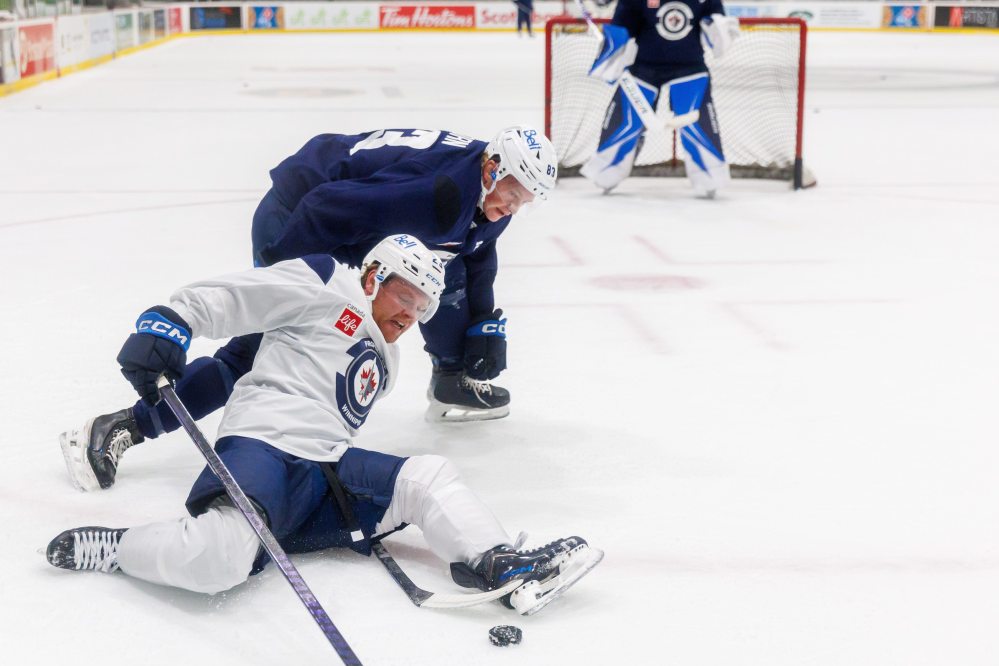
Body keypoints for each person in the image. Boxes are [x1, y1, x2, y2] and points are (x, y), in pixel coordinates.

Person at [47, 235, 597, 615]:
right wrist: (174, 321)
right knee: (219, 560)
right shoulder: (327, 281)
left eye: (424, 308)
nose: (411, 315)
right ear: (375, 275)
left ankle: (497, 562)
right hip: (263, 446)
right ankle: (117, 548)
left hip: (324, 475)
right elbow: (241, 297)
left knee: (427, 476)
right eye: (406, 296)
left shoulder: (390, 360)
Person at [59, 126, 559, 492]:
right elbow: (325, 205)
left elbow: (475, 251)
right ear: (493, 170)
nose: (514, 207)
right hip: (300, 215)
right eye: (513, 194)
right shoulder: (437, 195)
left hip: (355, 226)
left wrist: (485, 326)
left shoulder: (484, 193)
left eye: (525, 201)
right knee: (252, 355)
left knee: (434, 279)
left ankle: (451, 375)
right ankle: (121, 425)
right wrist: (286, 287)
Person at [579, 0, 741, 197]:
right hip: (643, 68)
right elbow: (623, 24)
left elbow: (716, 25)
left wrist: (718, 28)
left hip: (690, 67)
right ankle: (607, 170)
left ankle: (709, 174)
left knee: (697, 125)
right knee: (626, 123)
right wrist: (614, 49)